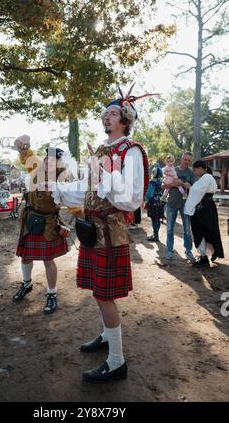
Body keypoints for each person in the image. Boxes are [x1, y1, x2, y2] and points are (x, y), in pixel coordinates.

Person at [52, 84, 152, 382]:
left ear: (125, 119)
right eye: (104, 114)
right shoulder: (100, 150)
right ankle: (109, 337)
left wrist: (106, 173)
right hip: (92, 230)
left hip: (111, 232)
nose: (105, 118)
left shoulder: (130, 150)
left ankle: (117, 361)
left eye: (112, 114)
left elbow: (132, 198)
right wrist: (57, 188)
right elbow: (86, 188)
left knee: (105, 295)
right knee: (99, 292)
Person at [13, 135, 75, 315]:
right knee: (25, 256)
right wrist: (22, 147)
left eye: (52, 160)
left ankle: (52, 294)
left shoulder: (63, 179)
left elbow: (71, 198)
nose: (47, 161)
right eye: (46, 158)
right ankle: (26, 284)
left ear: (59, 163)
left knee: (48, 260)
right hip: (30, 219)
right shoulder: (36, 168)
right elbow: (26, 154)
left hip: (48, 223)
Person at [184, 160, 224, 267]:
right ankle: (208, 253)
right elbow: (198, 190)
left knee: (200, 230)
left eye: (196, 169)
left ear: (202, 168)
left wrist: (189, 187)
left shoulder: (207, 177)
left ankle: (204, 257)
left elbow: (197, 191)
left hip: (204, 208)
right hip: (206, 207)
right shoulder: (205, 178)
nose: (195, 171)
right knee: (207, 230)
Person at [162, 151, 197, 261]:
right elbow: (163, 185)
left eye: (189, 160)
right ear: (181, 159)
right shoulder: (172, 169)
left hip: (185, 205)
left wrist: (189, 185)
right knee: (170, 229)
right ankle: (169, 251)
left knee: (187, 230)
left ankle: (188, 251)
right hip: (171, 204)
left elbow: (194, 187)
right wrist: (172, 184)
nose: (186, 162)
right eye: (185, 159)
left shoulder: (191, 173)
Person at [144, 164, 164, 242]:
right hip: (160, 203)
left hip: (153, 203)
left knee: (153, 220)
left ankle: (155, 236)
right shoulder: (161, 181)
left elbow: (149, 194)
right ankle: (156, 234)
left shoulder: (152, 182)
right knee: (158, 220)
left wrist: (146, 199)